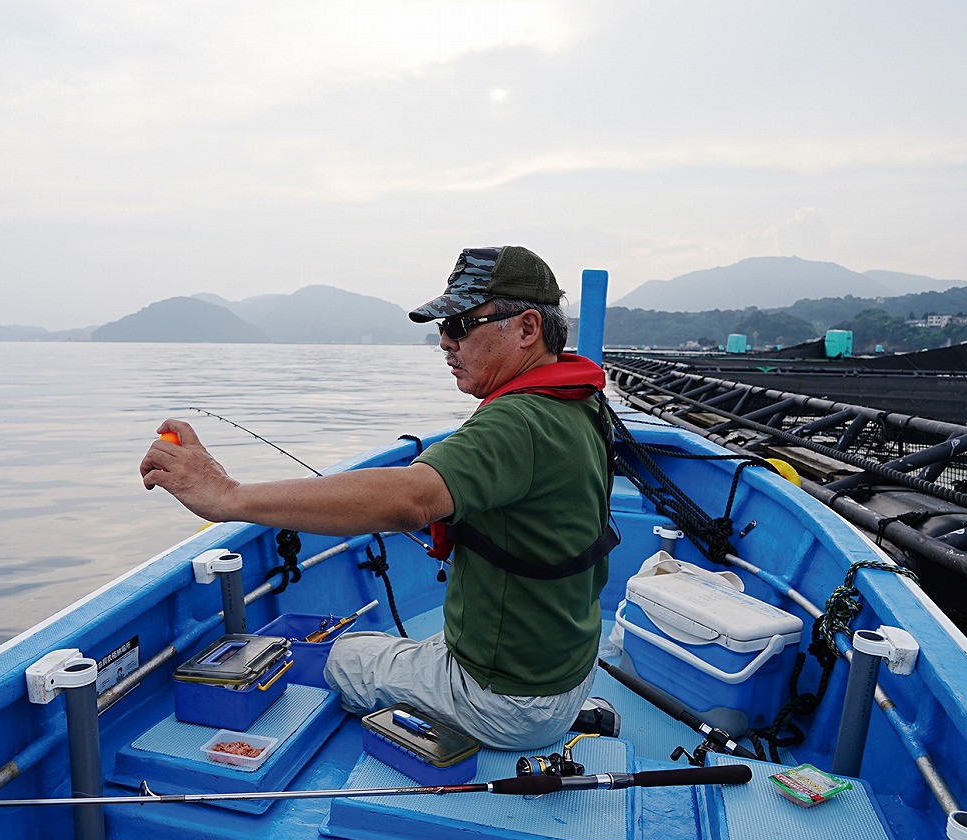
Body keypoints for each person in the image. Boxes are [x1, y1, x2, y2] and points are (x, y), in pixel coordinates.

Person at [140, 245, 618, 750]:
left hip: (502, 699)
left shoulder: (517, 421)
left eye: (460, 326)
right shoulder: (581, 403)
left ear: (525, 329)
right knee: (392, 648)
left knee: (345, 656)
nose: (445, 342)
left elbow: (412, 499)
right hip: (565, 670)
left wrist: (227, 496)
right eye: (441, 329)